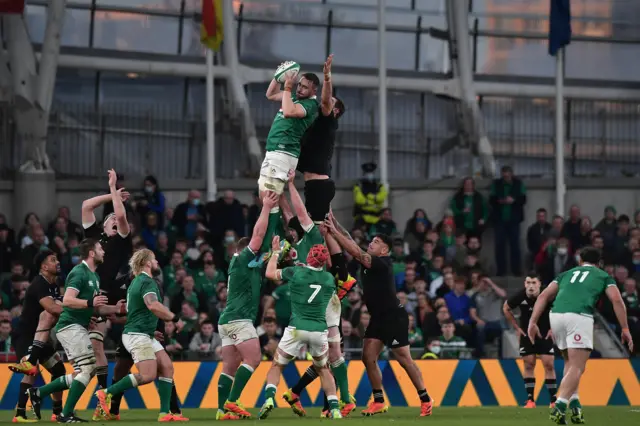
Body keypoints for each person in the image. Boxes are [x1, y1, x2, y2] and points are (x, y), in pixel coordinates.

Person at [324, 212, 433, 417]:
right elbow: (350, 239)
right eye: (372, 240)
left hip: (393, 317)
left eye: (376, 242)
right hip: (378, 317)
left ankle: (425, 399)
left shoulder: (382, 263)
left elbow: (356, 251)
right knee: (368, 357)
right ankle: (379, 401)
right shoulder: (370, 260)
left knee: (404, 359)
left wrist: (332, 231)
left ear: (384, 249)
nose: (371, 243)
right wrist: (335, 221)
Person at [528, 246, 633, 425]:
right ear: (599, 263)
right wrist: (625, 328)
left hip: (556, 315)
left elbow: (544, 295)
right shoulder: (603, 275)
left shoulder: (566, 274)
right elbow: (616, 299)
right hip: (578, 315)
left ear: (580, 261)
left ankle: (575, 405)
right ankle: (560, 406)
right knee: (578, 366)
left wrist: (532, 321)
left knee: (570, 363)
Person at [26, 239, 124, 422]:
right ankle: (65, 413)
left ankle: (39, 393)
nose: (104, 251)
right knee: (87, 368)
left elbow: (96, 308)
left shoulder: (94, 277)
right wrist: (89, 304)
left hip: (77, 326)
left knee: (85, 371)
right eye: (100, 248)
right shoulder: (79, 272)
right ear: (92, 253)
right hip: (70, 326)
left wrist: (115, 309)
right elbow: (68, 300)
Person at [94, 249, 185, 422]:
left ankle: (165, 413)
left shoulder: (137, 282)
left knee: (167, 366)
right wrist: (174, 318)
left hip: (145, 334)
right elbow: (152, 305)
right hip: (137, 335)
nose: (157, 262)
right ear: (147, 263)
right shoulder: (146, 282)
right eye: (155, 259)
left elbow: (136, 310)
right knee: (148, 375)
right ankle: (105, 393)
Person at [260, 237, 342, 420]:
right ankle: (334, 408)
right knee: (323, 370)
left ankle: (269, 399)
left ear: (309, 257)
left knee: (277, 365)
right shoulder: (329, 279)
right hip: (319, 330)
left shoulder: (295, 272)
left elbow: (270, 273)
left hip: (297, 328)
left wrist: (275, 253)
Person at [215, 191, 278, 421]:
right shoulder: (242, 259)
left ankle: (222, 410)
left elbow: (266, 254)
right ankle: (232, 401)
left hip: (227, 320)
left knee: (229, 369)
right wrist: (266, 207)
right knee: (254, 359)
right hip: (239, 319)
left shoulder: (246, 265)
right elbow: (259, 234)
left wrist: (277, 250)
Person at [81, 169, 132, 415]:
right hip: (86, 294)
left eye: (118, 220)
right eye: (111, 218)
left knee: (99, 347)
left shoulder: (122, 240)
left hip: (109, 295)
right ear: (103, 223)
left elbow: (122, 217)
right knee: (92, 350)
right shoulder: (93, 238)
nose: (116, 220)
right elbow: (86, 206)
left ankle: (103, 399)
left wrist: (115, 194)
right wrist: (110, 194)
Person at [9, 250, 66, 423]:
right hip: (25, 336)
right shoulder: (39, 283)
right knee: (31, 370)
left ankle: (57, 412)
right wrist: (80, 311)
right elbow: (53, 309)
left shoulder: (53, 285)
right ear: (44, 266)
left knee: (59, 370)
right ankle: (19, 414)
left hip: (41, 338)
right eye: (53, 259)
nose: (57, 262)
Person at [296, 54, 345, 225]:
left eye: (330, 100)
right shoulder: (316, 122)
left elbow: (324, 102)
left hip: (318, 185)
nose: (323, 101)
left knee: (315, 230)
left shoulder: (328, 120)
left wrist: (326, 77)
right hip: (315, 185)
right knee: (324, 227)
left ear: (335, 111)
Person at [261, 69, 319, 195]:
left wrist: (287, 87)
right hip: (273, 149)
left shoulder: (311, 104)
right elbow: (270, 95)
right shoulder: (292, 96)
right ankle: (277, 215)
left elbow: (289, 112)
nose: (299, 89)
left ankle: (276, 215)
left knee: (270, 196)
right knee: (264, 196)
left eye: (305, 87)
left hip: (284, 152)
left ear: (314, 91)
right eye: (299, 85)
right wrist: (277, 77)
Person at [504, 272, 557, 408]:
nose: (531, 286)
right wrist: (516, 327)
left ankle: (553, 401)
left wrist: (554, 328)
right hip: (527, 335)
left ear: (540, 284)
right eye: (528, 283)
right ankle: (530, 400)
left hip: (545, 334)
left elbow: (560, 309)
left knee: (548, 364)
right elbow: (506, 308)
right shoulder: (520, 295)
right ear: (524, 284)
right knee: (528, 364)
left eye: (534, 283)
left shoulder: (548, 295)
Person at [489, 165, 527, 276]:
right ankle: (501, 270)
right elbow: (491, 199)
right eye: (504, 174)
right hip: (499, 219)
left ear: (511, 174)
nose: (506, 176)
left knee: (515, 245)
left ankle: (516, 270)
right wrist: (500, 201)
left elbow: (523, 199)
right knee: (499, 245)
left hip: (514, 220)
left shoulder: (518, 183)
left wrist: (513, 200)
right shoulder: (496, 184)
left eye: (507, 173)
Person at [353, 163, 387, 230]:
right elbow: (359, 200)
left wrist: (368, 195)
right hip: (362, 218)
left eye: (371, 172)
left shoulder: (379, 186)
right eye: (367, 173)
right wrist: (374, 200)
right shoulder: (359, 185)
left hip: (376, 219)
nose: (369, 175)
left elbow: (382, 197)